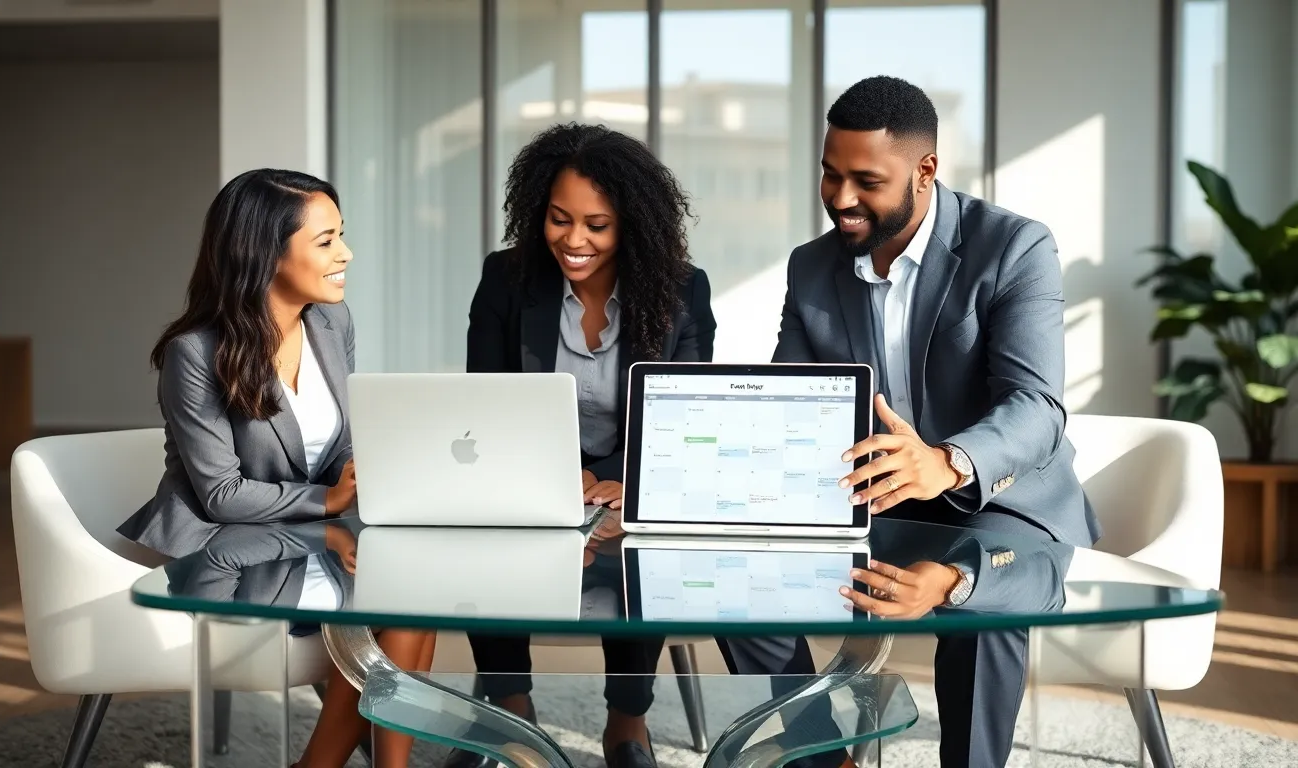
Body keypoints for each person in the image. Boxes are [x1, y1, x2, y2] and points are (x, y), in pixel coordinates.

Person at [717, 75, 1101, 768]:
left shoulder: (1013, 247)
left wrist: (945, 461)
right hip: (867, 500)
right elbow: (790, 405)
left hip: (992, 500)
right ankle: (818, 753)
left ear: (925, 170)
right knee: (734, 576)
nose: (840, 198)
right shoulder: (812, 268)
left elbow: (1037, 407)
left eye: (865, 180)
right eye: (830, 175)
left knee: (986, 610)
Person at [115, 169, 435, 768]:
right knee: (396, 612)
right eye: (326, 241)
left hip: (304, 542)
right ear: (265, 252)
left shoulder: (332, 322)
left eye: (342, 235)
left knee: (413, 600)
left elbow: (337, 443)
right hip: (223, 558)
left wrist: (367, 470)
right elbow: (222, 495)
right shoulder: (196, 352)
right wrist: (331, 502)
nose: (346, 254)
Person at [452, 123, 717, 768]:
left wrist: (625, 481)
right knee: (491, 530)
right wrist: (555, 474)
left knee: (644, 542)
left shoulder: (681, 291)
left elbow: (685, 418)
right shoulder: (506, 279)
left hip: (636, 467)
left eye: (596, 225)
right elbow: (485, 403)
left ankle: (627, 724)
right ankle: (512, 715)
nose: (574, 240)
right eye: (559, 219)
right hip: (530, 463)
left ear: (632, 226)